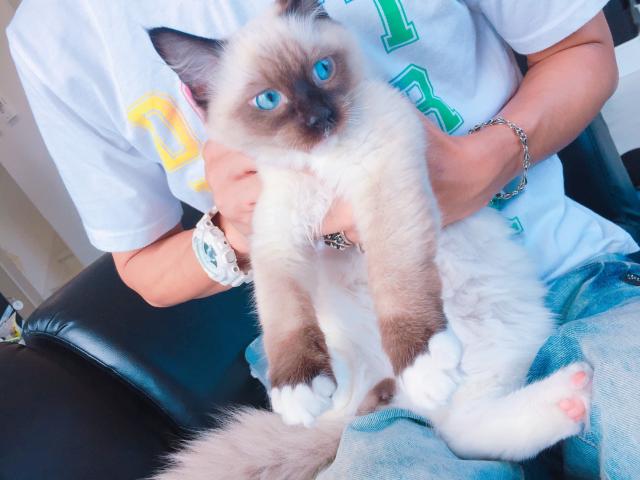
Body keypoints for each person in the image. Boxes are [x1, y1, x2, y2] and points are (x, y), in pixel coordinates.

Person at [7, 0, 640, 478]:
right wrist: (237, 233)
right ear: (202, 101)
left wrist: (479, 167)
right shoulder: (56, 36)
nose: (311, 112)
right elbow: (145, 265)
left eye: (322, 72)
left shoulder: (361, 99)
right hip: (357, 369)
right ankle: (471, 424)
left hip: (565, 277)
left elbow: (582, 46)